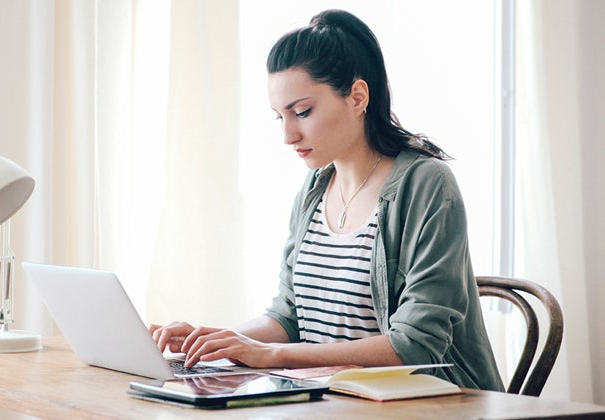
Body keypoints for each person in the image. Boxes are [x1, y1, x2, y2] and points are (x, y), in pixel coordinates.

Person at [150, 9, 504, 391]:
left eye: (302, 112)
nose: (288, 135)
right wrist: (214, 341)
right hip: (334, 401)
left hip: (431, 405)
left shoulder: (426, 184)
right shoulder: (316, 189)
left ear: (357, 97)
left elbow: (415, 346)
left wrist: (274, 356)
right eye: (279, 117)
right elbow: (288, 318)